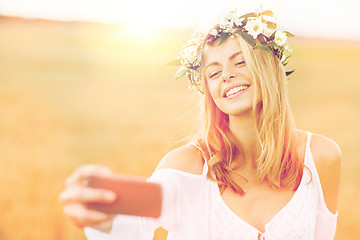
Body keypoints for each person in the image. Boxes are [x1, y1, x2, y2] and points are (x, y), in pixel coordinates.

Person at [60, 8, 341, 240]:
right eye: (214, 72)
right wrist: (103, 206)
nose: (226, 76)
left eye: (240, 62)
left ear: (268, 68)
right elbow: (145, 209)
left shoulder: (321, 158)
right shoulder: (189, 166)